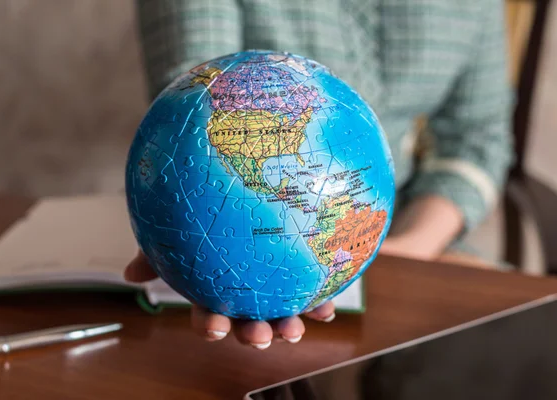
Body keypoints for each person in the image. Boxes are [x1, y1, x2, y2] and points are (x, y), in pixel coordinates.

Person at [125, 0, 513, 349]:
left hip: (410, 237)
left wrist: (410, 246)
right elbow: (193, 100)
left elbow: (477, 138)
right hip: (230, 227)